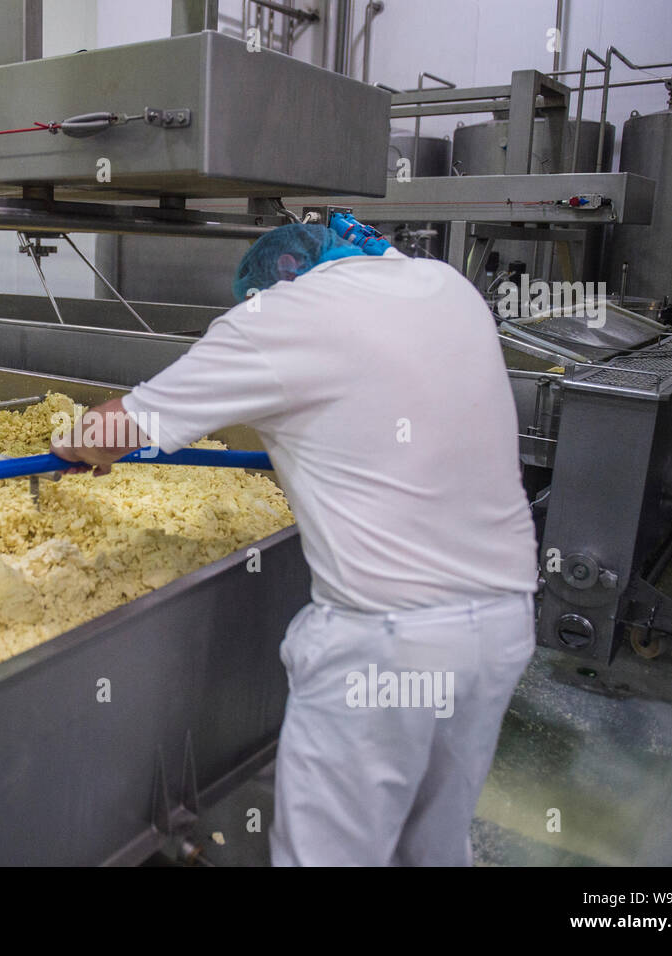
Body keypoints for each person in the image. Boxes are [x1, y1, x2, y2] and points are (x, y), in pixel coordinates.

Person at [51, 217, 538, 866]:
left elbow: (120, 429)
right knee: (434, 847)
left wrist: (70, 441)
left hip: (388, 649)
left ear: (267, 289)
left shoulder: (276, 320)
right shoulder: (447, 286)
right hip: (502, 627)